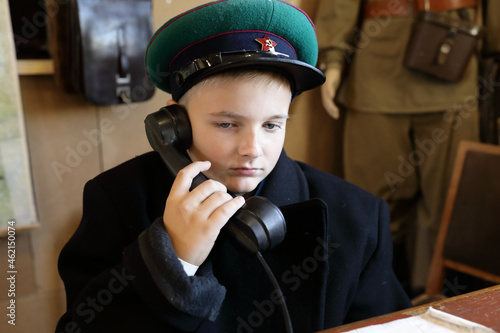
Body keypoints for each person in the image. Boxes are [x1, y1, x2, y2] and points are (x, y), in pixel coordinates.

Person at [56, 1, 411, 332]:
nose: (252, 149)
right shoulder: (117, 199)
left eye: (272, 125)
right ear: (173, 122)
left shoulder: (359, 217)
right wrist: (175, 261)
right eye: (227, 124)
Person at [314, 0, 500, 294]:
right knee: (372, 205)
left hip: (456, 67)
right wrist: (333, 60)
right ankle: (381, 298)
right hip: (377, 76)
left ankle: (442, 299)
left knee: (452, 207)